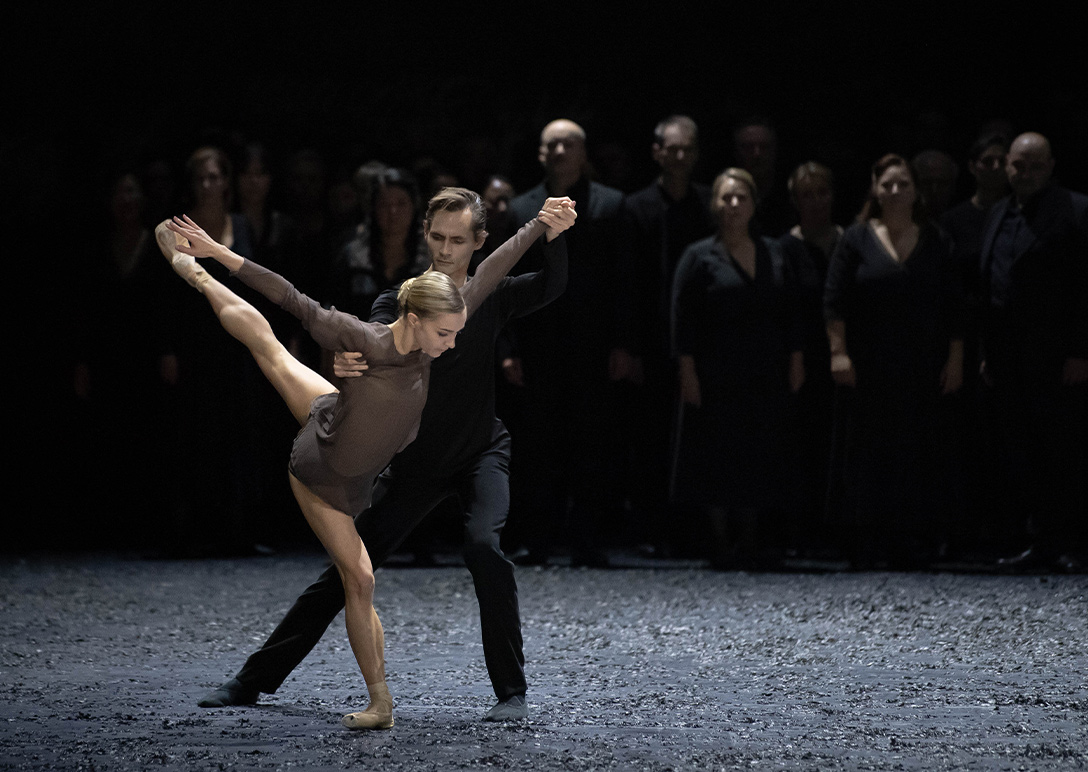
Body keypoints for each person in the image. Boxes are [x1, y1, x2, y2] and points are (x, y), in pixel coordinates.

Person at [160, 188, 575, 729]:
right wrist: (348, 363)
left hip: (478, 451)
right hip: (413, 465)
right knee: (350, 572)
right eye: (437, 237)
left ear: (477, 241)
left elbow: (547, 281)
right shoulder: (403, 302)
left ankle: (511, 691)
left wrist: (552, 234)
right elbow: (358, 334)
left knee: (484, 547)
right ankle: (253, 679)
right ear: (426, 237)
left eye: (458, 240)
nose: (446, 249)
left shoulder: (483, 297)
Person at [824, 154, 964, 569]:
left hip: (919, 366)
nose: (896, 192)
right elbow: (835, 302)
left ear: (916, 190)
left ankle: (912, 541)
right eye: (888, 184)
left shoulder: (936, 239)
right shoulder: (856, 238)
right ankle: (868, 542)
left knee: (918, 453)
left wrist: (955, 360)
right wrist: (838, 352)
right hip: (868, 367)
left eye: (903, 184)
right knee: (868, 455)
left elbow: (954, 306)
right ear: (875, 188)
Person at [505, 118, 624, 568]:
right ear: (539, 153)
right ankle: (539, 538)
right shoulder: (520, 210)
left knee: (591, 443)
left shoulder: (613, 206)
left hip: (594, 345)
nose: (558, 152)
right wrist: (508, 348)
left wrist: (624, 343)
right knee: (537, 444)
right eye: (551, 145)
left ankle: (587, 538)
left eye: (568, 144)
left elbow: (624, 281)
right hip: (538, 345)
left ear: (583, 152)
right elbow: (506, 284)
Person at [672, 168, 804, 570]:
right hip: (716, 373)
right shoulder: (698, 255)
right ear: (714, 204)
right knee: (717, 453)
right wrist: (687, 371)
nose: (733, 205)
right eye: (725, 198)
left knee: (759, 450)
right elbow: (682, 318)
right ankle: (720, 540)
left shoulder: (775, 252)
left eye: (740, 197)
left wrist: (797, 360)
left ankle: (750, 539)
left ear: (753, 203)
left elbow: (792, 312)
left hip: (764, 371)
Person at [980, 133, 1088, 572]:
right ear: (1006, 166)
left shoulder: (1077, 211)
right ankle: (1040, 539)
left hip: (1058, 358)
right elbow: (992, 286)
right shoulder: (998, 214)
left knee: (1064, 451)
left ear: (1052, 166)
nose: (1026, 174)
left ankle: (1072, 542)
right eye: (1018, 166)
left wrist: (1082, 350)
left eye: (1035, 166)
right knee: (1022, 451)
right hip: (1009, 359)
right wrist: (989, 352)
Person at [616, 115, 714, 555]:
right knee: (648, 435)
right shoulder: (635, 208)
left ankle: (694, 528)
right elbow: (626, 282)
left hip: (701, 340)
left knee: (699, 432)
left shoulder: (709, 205)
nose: (679, 156)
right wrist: (628, 346)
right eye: (671, 148)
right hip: (651, 340)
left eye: (686, 149)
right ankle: (651, 528)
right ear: (656, 152)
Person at [778, 162, 844, 555]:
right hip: (801, 360)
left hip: (841, 358)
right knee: (801, 445)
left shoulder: (850, 240)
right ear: (794, 201)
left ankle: (837, 531)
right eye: (807, 194)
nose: (817, 201)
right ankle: (800, 533)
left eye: (823, 192)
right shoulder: (784, 248)